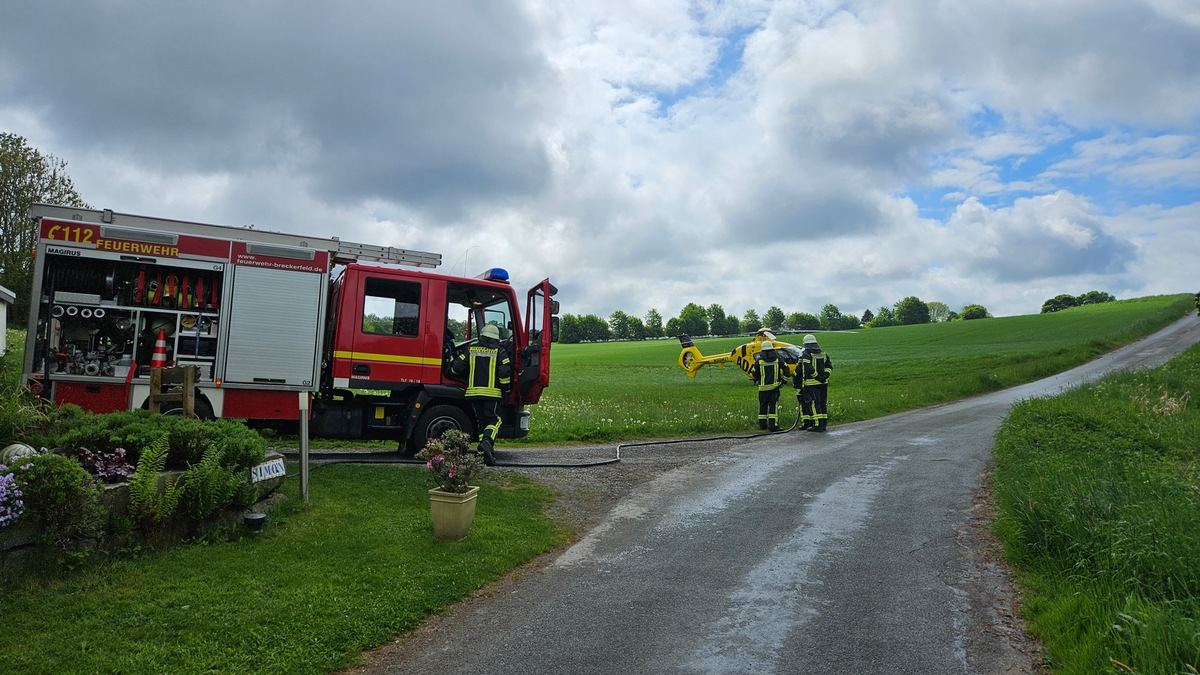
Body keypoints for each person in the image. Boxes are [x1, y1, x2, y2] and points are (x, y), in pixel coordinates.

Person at [452, 323, 512, 465]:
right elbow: (504, 372)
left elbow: (457, 367)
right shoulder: (500, 351)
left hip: (473, 394)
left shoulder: (471, 348)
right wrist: (506, 390)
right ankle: (487, 442)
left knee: (481, 422)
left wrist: (452, 373)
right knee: (494, 420)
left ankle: (484, 452)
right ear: (496, 338)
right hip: (492, 394)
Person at [794, 334, 833, 431]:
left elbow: (807, 366)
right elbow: (829, 366)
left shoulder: (807, 354)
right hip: (823, 384)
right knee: (823, 403)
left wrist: (817, 376)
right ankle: (823, 424)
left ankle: (818, 425)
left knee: (815, 403)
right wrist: (825, 376)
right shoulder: (823, 353)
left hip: (812, 383)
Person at [750, 340, 786, 432]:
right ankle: (773, 426)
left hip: (762, 389)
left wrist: (758, 378)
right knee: (773, 406)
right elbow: (787, 371)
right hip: (774, 388)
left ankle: (762, 425)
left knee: (763, 406)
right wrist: (783, 381)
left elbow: (754, 374)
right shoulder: (778, 359)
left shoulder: (759, 361)